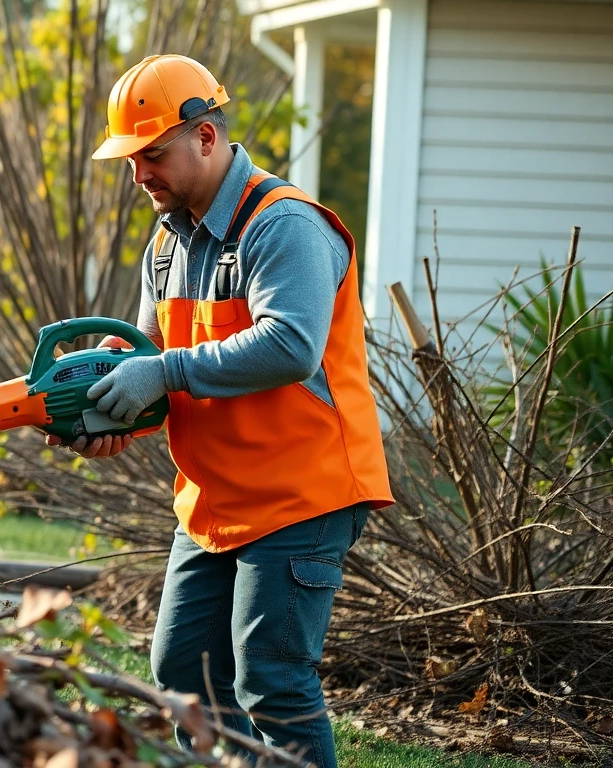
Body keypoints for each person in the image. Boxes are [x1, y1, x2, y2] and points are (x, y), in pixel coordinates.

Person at [47, 54, 394, 768]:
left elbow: (291, 347)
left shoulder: (283, 225)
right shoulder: (168, 241)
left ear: (205, 136)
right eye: (131, 160)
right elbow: (148, 360)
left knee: (271, 683)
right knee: (184, 674)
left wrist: (159, 370)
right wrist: (111, 404)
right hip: (213, 498)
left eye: (153, 154)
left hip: (304, 491)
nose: (140, 174)